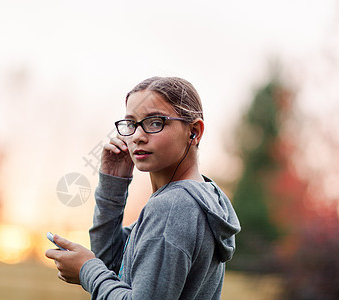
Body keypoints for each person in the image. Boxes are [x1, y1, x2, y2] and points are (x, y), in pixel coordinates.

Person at [46, 76, 241, 299]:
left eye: (155, 122)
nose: (137, 136)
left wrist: (86, 270)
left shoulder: (172, 207)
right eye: (131, 123)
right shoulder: (200, 198)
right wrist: (113, 185)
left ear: (194, 131)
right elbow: (113, 265)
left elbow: (104, 270)